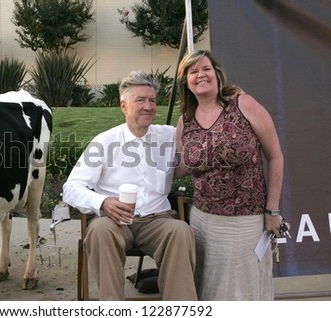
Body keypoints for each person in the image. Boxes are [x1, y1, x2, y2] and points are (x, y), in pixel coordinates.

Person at [63, 70, 197, 300]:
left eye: (152, 100)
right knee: (99, 231)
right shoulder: (105, 142)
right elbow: (71, 187)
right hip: (115, 220)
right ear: (124, 106)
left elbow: (195, 149)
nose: (148, 106)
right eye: (140, 100)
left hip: (156, 219)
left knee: (180, 231)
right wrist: (103, 202)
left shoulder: (168, 136)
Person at [175, 49, 284, 300]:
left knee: (243, 288)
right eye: (193, 71)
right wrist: (146, 171)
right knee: (210, 287)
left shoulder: (242, 104)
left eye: (206, 69)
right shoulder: (185, 120)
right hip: (203, 222)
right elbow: (183, 167)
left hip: (246, 219)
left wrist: (273, 210)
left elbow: (276, 156)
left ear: (217, 74)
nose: (200, 75)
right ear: (186, 82)